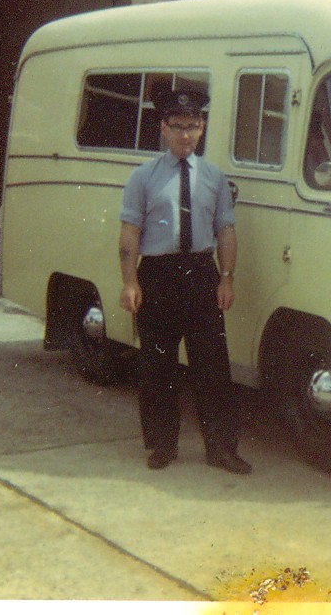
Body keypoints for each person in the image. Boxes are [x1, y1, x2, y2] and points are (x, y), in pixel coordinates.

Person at [118, 87, 251, 474]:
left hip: (201, 275)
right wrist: (130, 282)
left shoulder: (214, 177)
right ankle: (162, 446)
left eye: (193, 126)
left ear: (202, 127)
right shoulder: (143, 178)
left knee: (213, 366)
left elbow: (226, 230)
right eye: (177, 126)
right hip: (157, 276)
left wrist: (226, 278)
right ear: (163, 128)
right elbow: (129, 233)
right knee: (157, 366)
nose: (186, 134)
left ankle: (221, 449)